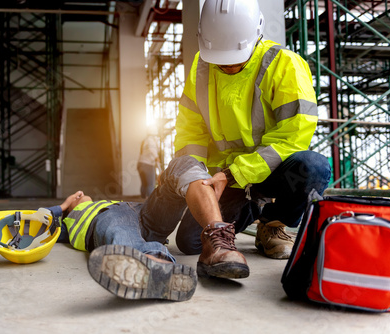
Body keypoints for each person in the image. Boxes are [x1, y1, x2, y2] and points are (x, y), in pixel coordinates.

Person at [136, 0, 331, 279]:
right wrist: (197, 179)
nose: (227, 66)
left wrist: (234, 173)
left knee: (314, 167)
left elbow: (294, 136)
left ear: (257, 35)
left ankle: (272, 223)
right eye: (221, 59)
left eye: (235, 58)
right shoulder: (200, 68)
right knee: (190, 242)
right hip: (222, 179)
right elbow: (192, 132)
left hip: (268, 172)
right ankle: (250, 208)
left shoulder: (285, 65)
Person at [48, 191, 197, 302]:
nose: (80, 195)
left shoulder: (104, 202)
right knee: (120, 229)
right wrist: (62, 206)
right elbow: (34, 223)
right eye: (76, 197)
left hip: (138, 212)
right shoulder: (66, 223)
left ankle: (154, 268)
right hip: (110, 217)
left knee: (170, 185)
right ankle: (158, 266)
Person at [137, 128, 161, 198]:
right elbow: (152, 148)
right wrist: (157, 157)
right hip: (148, 165)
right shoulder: (150, 140)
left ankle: (141, 202)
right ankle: (151, 203)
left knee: (144, 184)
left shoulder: (145, 140)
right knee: (150, 185)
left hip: (140, 164)